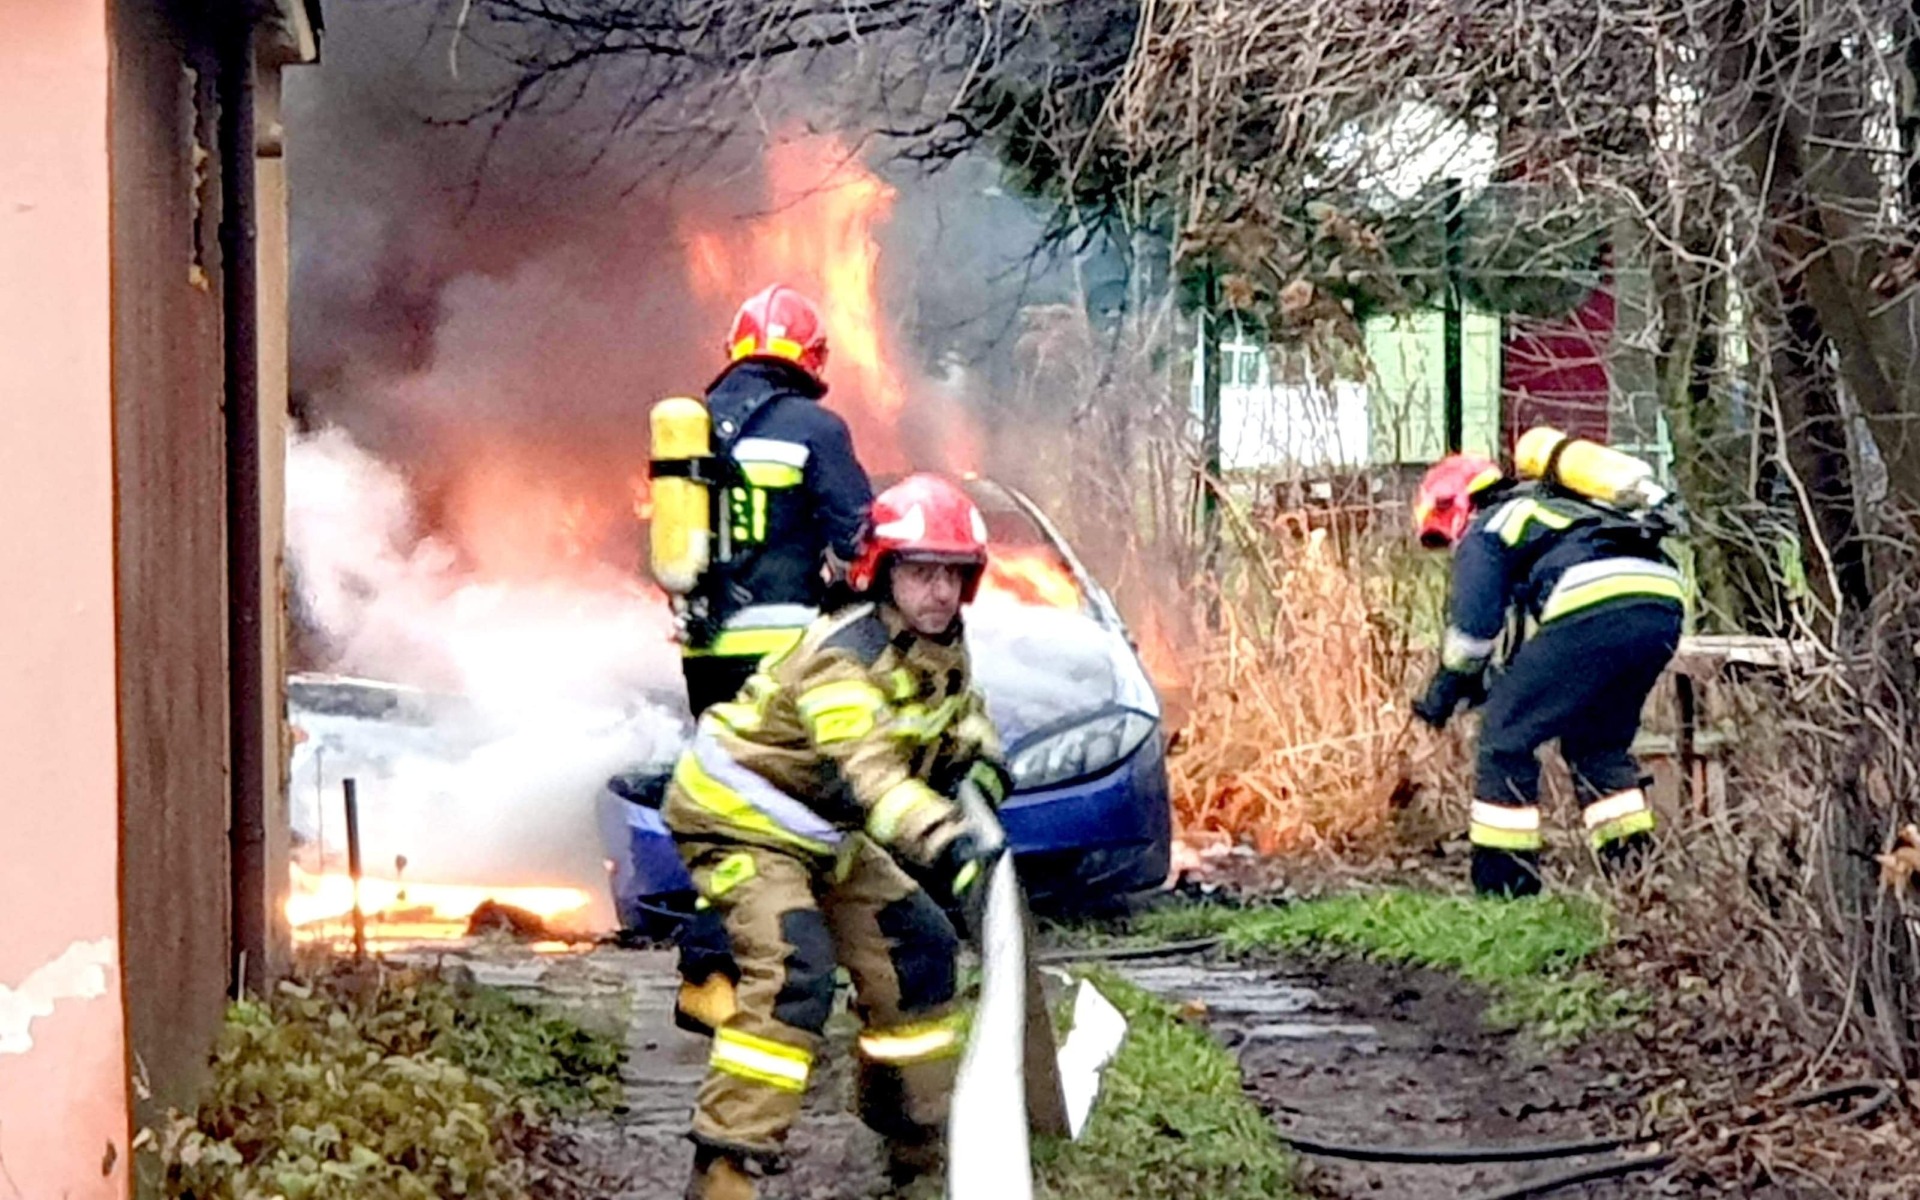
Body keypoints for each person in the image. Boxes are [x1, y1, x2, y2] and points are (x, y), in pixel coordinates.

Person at [663, 473, 1013, 1200]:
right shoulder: (842, 658)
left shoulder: (939, 644)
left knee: (917, 951)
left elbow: (963, 720)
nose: (940, 592)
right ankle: (726, 1167)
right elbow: (873, 779)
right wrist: (949, 844)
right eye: (921, 573)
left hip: (823, 834)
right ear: (883, 573)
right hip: (742, 821)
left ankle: (912, 1140)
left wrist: (979, 774)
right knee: (795, 970)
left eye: (954, 575)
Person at [1410, 451, 1685, 898]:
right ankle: (1635, 878)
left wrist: (1445, 689)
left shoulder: (1489, 526)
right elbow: (1524, 641)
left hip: (1594, 602)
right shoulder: (1566, 508)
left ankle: (1506, 890)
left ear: (1455, 505)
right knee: (1597, 744)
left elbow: (1473, 629)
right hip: (1661, 602)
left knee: (1504, 737)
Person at [681, 283, 873, 716]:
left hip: (703, 656)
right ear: (814, 356)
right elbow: (857, 539)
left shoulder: (690, 426)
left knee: (721, 771)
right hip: (787, 651)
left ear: (734, 350)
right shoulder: (818, 429)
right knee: (789, 774)